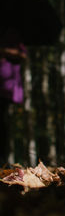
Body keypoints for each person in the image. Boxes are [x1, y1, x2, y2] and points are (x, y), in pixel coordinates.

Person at [0, 28, 27, 166]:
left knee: (2, 123)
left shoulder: (12, 34)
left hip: (5, 89)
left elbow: (22, 55)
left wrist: (4, 51)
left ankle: (3, 160)